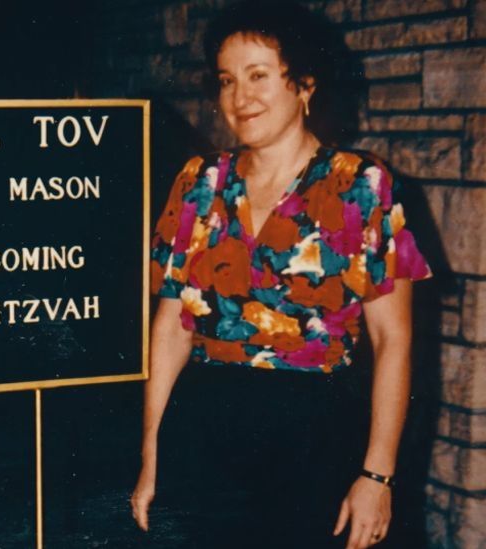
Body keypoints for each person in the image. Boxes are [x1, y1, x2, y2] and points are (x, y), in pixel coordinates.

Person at [129, 1, 431, 548]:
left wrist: (377, 475)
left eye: (258, 76)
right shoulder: (199, 182)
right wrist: (151, 455)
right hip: (201, 429)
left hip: (315, 437)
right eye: (227, 80)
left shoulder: (359, 185)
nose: (240, 97)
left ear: (305, 85)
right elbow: (171, 328)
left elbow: (393, 339)